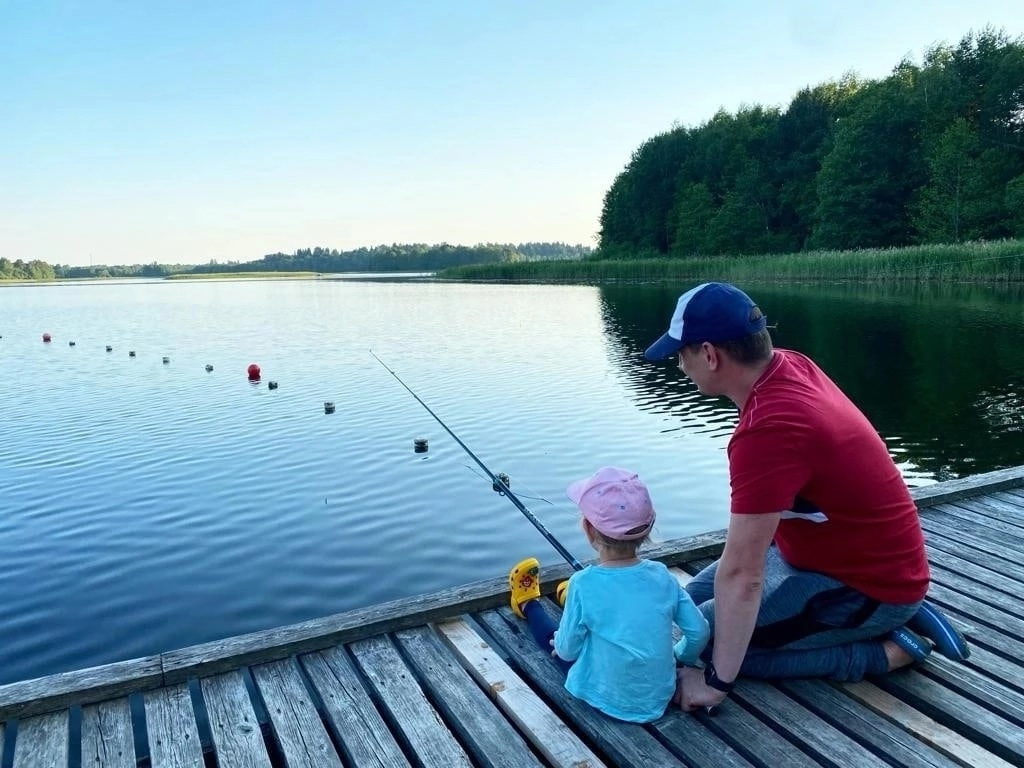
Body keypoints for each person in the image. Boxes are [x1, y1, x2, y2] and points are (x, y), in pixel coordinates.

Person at [643, 282, 969, 712]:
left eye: (679, 353)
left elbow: (743, 573)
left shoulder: (769, 429)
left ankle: (886, 650)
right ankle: (889, 614)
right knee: (683, 610)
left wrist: (716, 683)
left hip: (865, 584)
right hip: (828, 555)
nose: (679, 365)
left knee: (710, 645)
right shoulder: (788, 364)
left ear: (709, 354)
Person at [508, 466, 710, 723]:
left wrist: (560, 642)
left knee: (554, 639)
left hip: (604, 699)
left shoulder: (584, 583)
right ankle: (567, 600)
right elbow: (699, 631)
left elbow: (568, 651)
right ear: (649, 527)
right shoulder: (662, 577)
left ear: (589, 530)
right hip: (659, 696)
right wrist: (682, 657)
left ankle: (526, 604)